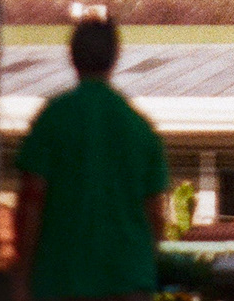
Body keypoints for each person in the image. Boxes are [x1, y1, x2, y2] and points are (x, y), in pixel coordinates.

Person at [13, 18, 169, 301]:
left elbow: (31, 202)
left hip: (61, 279)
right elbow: (155, 214)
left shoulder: (52, 119)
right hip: (128, 279)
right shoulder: (139, 128)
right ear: (115, 57)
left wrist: (22, 276)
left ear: (72, 55)